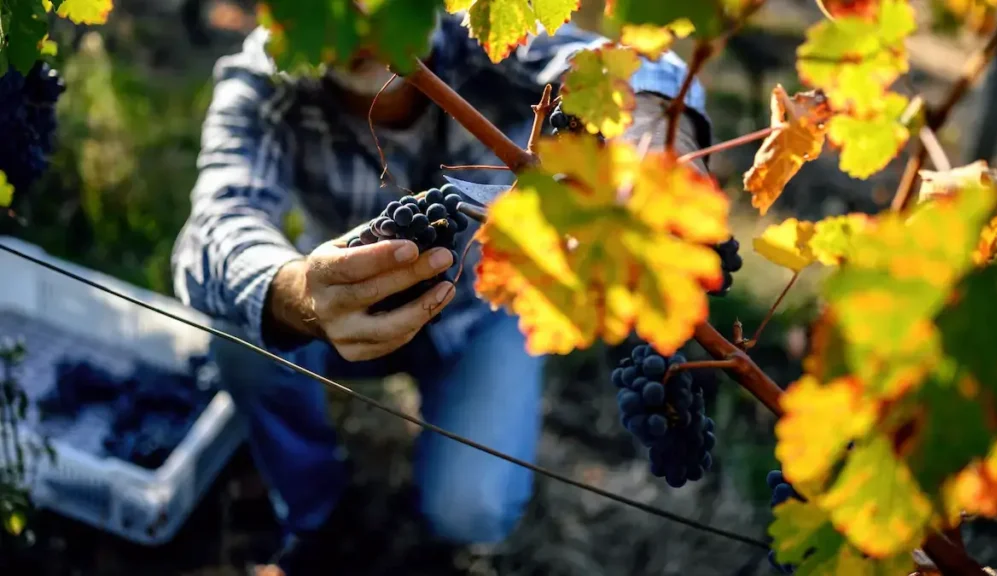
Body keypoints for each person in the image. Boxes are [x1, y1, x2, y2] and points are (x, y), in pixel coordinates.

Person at [171, 10, 713, 575]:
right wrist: (295, 293)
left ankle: (438, 537)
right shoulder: (271, 72)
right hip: (336, 316)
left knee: (473, 512)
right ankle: (315, 512)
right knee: (239, 321)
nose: (360, 20)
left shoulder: (485, 30)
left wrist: (648, 130)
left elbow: (647, 67)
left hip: (482, 315)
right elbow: (216, 226)